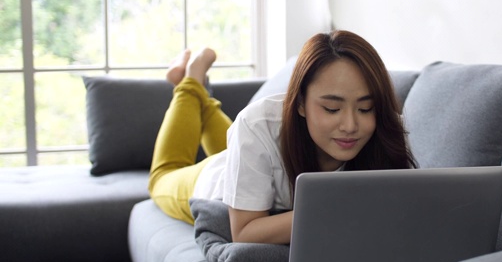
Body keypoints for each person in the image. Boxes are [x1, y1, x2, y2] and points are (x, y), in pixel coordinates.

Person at [148, 30, 417, 244]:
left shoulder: (386, 129)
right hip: (214, 180)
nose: (350, 125)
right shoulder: (258, 125)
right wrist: (338, 208)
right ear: (299, 103)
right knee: (162, 176)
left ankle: (199, 91)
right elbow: (244, 233)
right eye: (332, 109)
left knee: (239, 145)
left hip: (252, 160)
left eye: (365, 108)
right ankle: (191, 80)